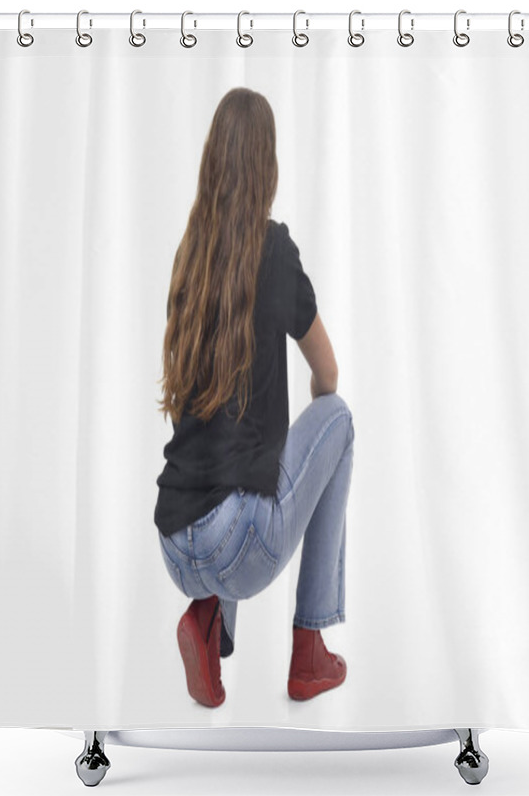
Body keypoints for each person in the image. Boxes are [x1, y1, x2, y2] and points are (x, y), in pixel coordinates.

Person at [153, 87, 354, 708]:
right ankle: (309, 650)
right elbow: (329, 373)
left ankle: (209, 620)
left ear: (213, 161)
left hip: (174, 542)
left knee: (238, 457)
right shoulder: (274, 250)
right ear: (267, 165)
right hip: (238, 543)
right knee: (339, 423)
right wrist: (307, 446)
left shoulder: (190, 256)